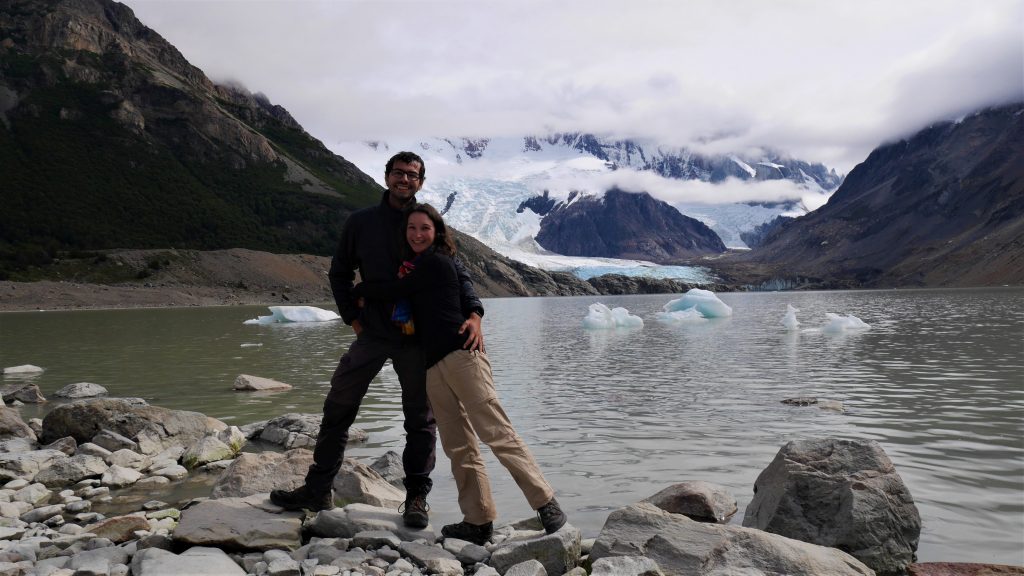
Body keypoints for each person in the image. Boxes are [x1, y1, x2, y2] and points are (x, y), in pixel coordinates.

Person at [270, 152, 485, 529]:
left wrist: (474, 313)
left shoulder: (427, 221)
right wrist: (352, 318)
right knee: (339, 405)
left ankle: (416, 498)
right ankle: (318, 488)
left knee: (420, 420)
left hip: (418, 339)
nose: (405, 180)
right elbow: (339, 273)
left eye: (412, 175)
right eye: (398, 173)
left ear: (420, 182)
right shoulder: (361, 223)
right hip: (372, 333)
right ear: (386, 177)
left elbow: (457, 273)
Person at [352, 203, 567, 545]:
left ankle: (546, 504)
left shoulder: (437, 262)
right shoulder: (412, 267)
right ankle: (478, 519)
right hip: (433, 365)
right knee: (458, 446)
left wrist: (360, 291)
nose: (417, 234)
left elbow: (396, 291)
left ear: (437, 232)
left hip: (463, 357)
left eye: (424, 227)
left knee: (497, 432)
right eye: (411, 228)